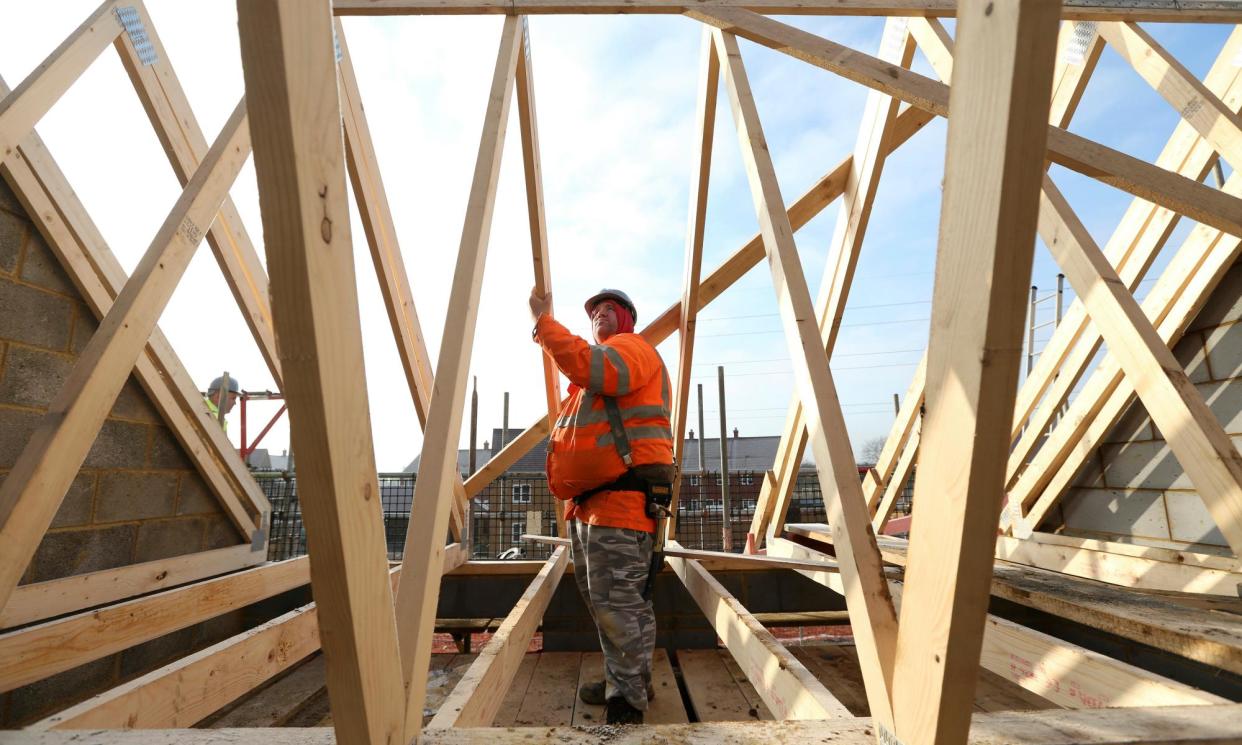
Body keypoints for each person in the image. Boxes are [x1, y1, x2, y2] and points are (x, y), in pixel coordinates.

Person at [529, 287, 674, 725]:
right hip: (595, 507)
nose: (600, 315)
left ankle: (626, 708)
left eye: (610, 309)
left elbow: (593, 365)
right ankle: (629, 682)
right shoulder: (592, 384)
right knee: (612, 605)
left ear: (628, 319)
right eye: (595, 312)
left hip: (621, 504)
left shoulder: (629, 350)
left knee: (618, 606)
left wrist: (544, 324)